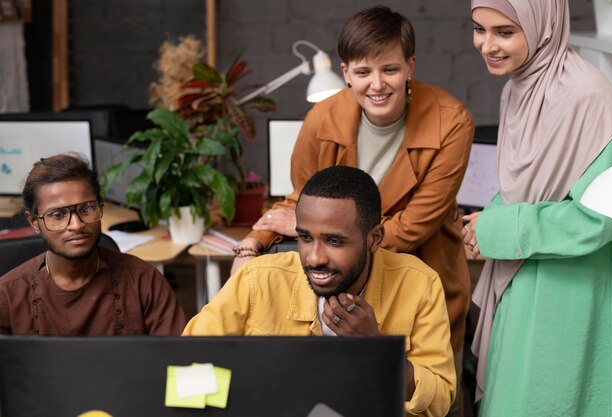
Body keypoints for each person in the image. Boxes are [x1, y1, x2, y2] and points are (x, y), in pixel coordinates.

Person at [232, 8, 474, 412]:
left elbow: (413, 228)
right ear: (345, 72)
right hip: (348, 281)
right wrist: (251, 244)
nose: (377, 85)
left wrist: (308, 227)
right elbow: (302, 200)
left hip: (422, 277)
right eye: (363, 72)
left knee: (429, 398)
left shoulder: (452, 122)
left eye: (390, 69)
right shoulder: (321, 119)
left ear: (410, 66)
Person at [185, 166, 456, 417]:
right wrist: (255, 391)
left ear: (373, 239)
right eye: (304, 238)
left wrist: (377, 350)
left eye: (334, 241)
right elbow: (185, 369)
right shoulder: (257, 279)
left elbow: (440, 401)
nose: (314, 258)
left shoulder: (420, 284)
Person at [464, 1, 612, 415]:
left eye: (504, 32)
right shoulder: (520, 86)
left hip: (569, 291)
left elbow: (607, 216)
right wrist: (486, 223)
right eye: (479, 29)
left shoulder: (589, 97)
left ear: (544, 25)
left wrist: (499, 229)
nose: (487, 46)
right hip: (523, 273)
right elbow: (530, 185)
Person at [0, 153, 187, 336]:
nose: (77, 225)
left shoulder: (144, 280)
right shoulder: (7, 295)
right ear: (34, 222)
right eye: (58, 215)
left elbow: (175, 358)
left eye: (87, 208)